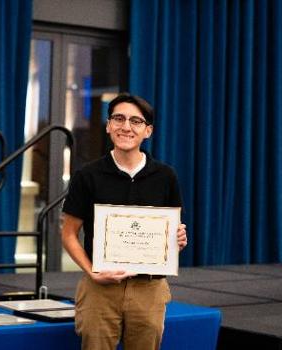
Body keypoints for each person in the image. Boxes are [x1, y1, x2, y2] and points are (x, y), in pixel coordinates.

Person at [61, 93, 188, 350]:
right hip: (99, 291)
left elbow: (173, 232)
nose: (126, 127)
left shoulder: (165, 176)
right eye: (118, 118)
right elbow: (68, 234)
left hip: (149, 289)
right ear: (108, 125)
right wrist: (92, 271)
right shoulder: (87, 176)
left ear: (148, 131)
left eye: (136, 121)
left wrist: (178, 241)